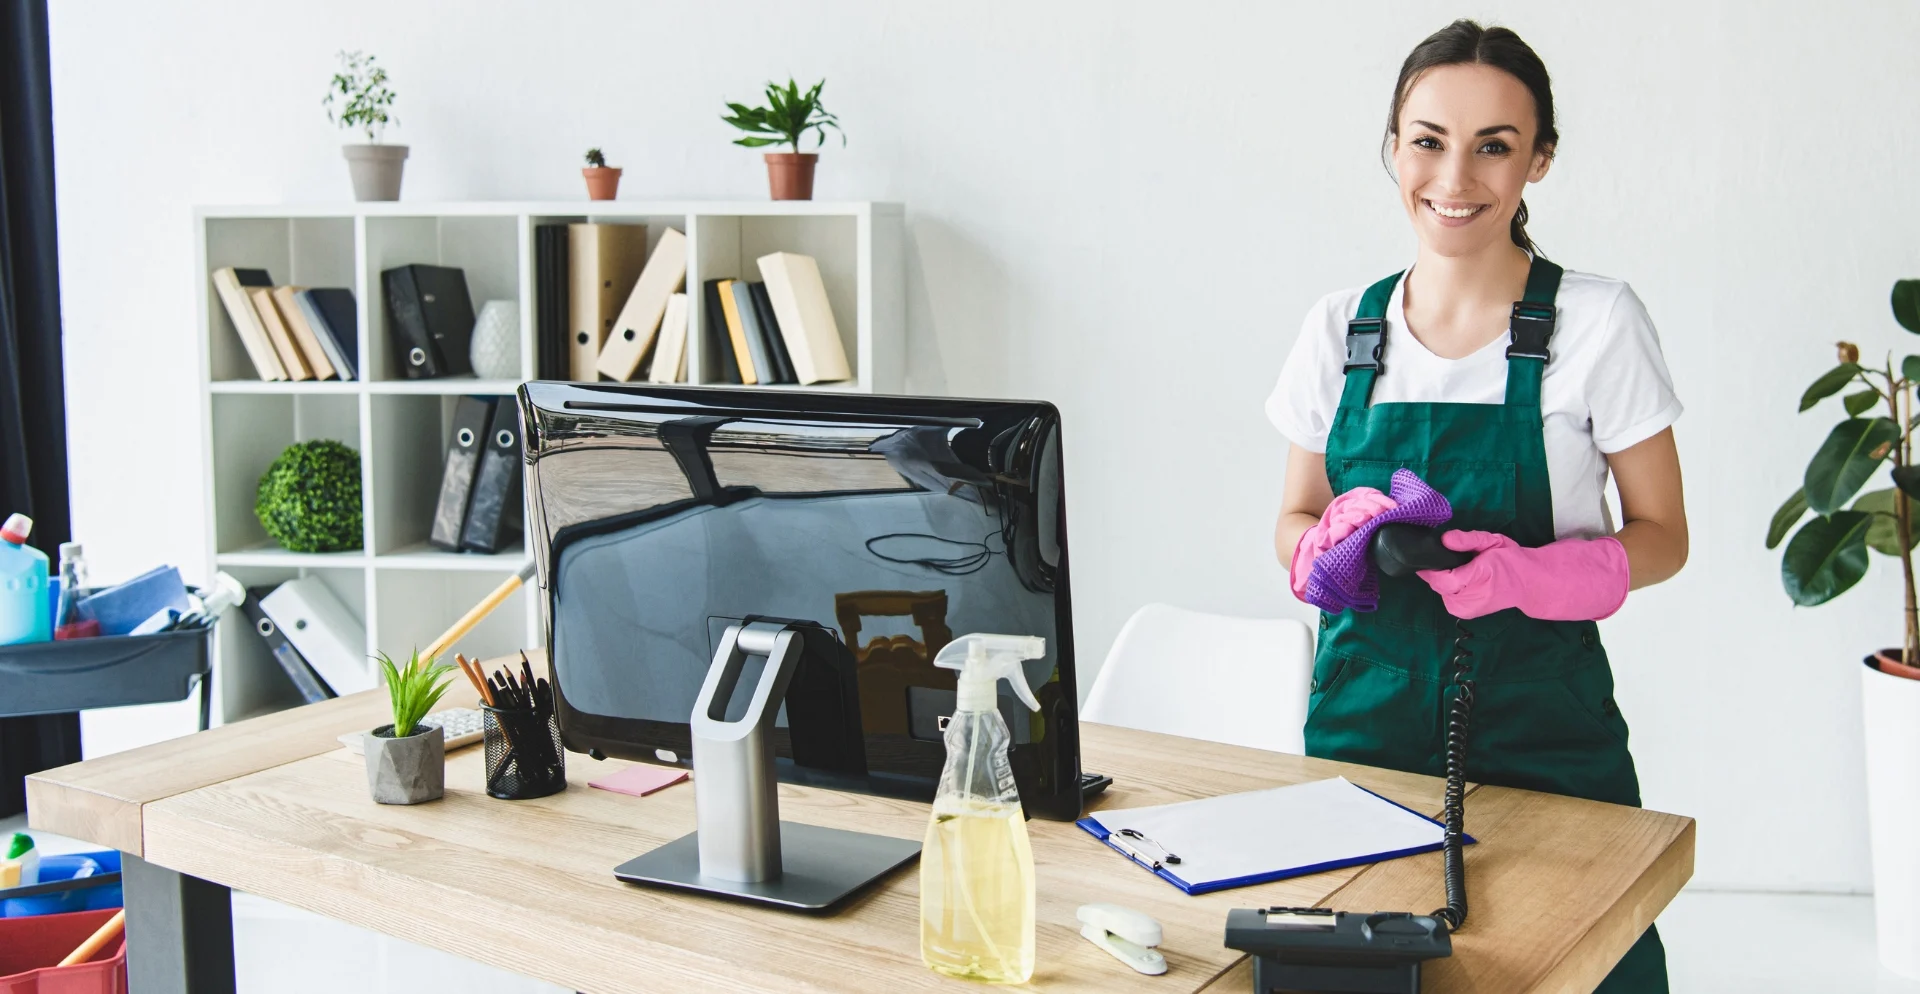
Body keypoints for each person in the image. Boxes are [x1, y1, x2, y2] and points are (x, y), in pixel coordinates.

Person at [1268, 19, 1687, 992]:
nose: (1454, 175)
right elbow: (1292, 515)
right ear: (1393, 148)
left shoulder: (1597, 322)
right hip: (1363, 722)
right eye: (1427, 139)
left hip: (1549, 725)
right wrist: (1320, 552)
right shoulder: (1341, 328)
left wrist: (1545, 572)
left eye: (1494, 144)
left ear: (1538, 159)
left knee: (1583, 965)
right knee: (1358, 974)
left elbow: (1665, 535)